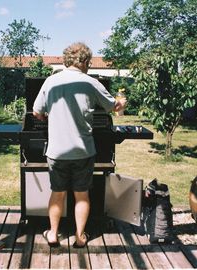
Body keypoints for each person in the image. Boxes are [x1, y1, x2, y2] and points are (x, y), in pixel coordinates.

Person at [33, 42, 127, 248]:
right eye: (89, 62)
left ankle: (53, 235)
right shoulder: (91, 83)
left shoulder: (51, 81)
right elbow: (114, 107)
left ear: (67, 60)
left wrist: (47, 117)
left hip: (57, 152)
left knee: (57, 193)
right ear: (84, 61)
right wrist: (122, 102)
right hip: (83, 151)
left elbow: (37, 112)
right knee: (81, 195)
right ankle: (79, 237)